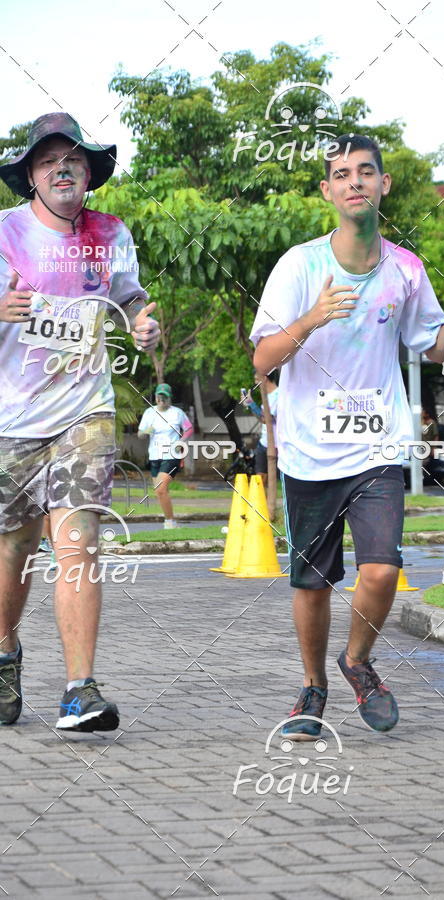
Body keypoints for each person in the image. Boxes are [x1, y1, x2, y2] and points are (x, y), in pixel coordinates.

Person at [251, 133, 444, 738]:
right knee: (312, 581)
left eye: (366, 172)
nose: (355, 181)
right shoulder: (300, 266)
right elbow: (262, 360)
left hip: (378, 445)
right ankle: (312, 689)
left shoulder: (405, 270)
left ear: (384, 185)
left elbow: (434, 349)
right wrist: (312, 317)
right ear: (328, 191)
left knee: (381, 571)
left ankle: (357, 661)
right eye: (342, 174)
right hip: (310, 450)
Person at [0, 113, 159, 731]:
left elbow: (130, 296)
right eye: (47, 161)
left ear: (88, 173)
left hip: (85, 413)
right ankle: (6, 651)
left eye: (73, 159)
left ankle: (79, 690)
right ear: (32, 179)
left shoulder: (111, 233)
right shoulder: (6, 234)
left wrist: (142, 321)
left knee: (77, 545)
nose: (61, 168)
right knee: (13, 551)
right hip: (13, 416)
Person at [137, 384, 193, 528]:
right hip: (155, 456)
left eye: (165, 396)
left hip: (171, 454)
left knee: (160, 489)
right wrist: (145, 432)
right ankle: (171, 521)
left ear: (170, 398)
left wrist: (181, 442)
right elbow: (140, 434)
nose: (162, 399)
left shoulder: (177, 413)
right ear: (155, 397)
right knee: (160, 492)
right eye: (159, 396)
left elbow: (189, 428)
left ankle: (170, 522)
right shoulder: (149, 412)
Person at [241, 371, 279, 484]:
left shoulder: (278, 395)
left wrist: (251, 403)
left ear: (265, 378)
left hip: (276, 445)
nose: (255, 383)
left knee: (268, 479)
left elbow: (267, 419)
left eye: (257, 380)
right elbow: (262, 420)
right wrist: (249, 405)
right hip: (264, 442)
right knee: (259, 478)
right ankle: (261, 500)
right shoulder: (268, 397)